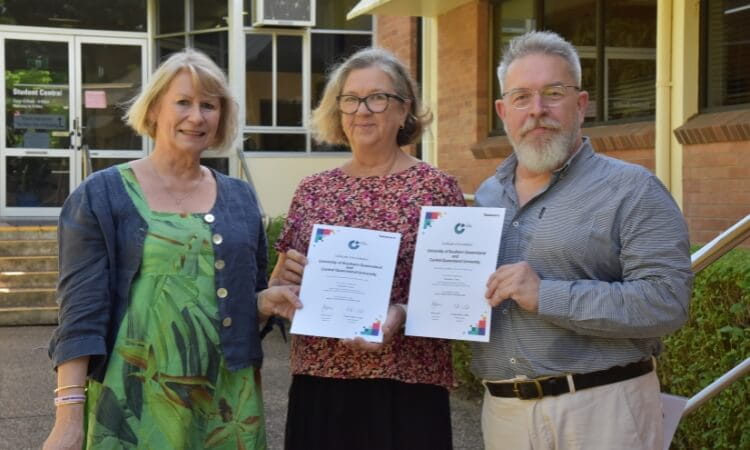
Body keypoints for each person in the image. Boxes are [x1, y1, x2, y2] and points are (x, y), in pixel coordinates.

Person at [44, 49, 301, 450]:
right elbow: (81, 314)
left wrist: (266, 302)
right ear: (154, 111)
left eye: (209, 105)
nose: (196, 116)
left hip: (226, 403)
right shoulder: (101, 195)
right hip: (135, 402)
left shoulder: (240, 198)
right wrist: (68, 418)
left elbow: (239, 305)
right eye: (183, 102)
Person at [472, 31, 694, 450]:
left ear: (581, 104)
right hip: (504, 415)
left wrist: (547, 295)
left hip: (603, 409)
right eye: (521, 97)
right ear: (503, 111)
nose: (537, 110)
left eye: (553, 93)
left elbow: (668, 301)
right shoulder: (485, 196)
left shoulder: (633, 189)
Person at [272, 47, 465, 450]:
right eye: (350, 99)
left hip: (407, 385)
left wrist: (402, 314)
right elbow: (281, 282)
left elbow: (456, 296)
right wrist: (286, 282)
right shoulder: (312, 190)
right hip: (320, 383)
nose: (362, 110)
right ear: (338, 111)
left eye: (377, 97)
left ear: (403, 110)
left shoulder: (436, 189)